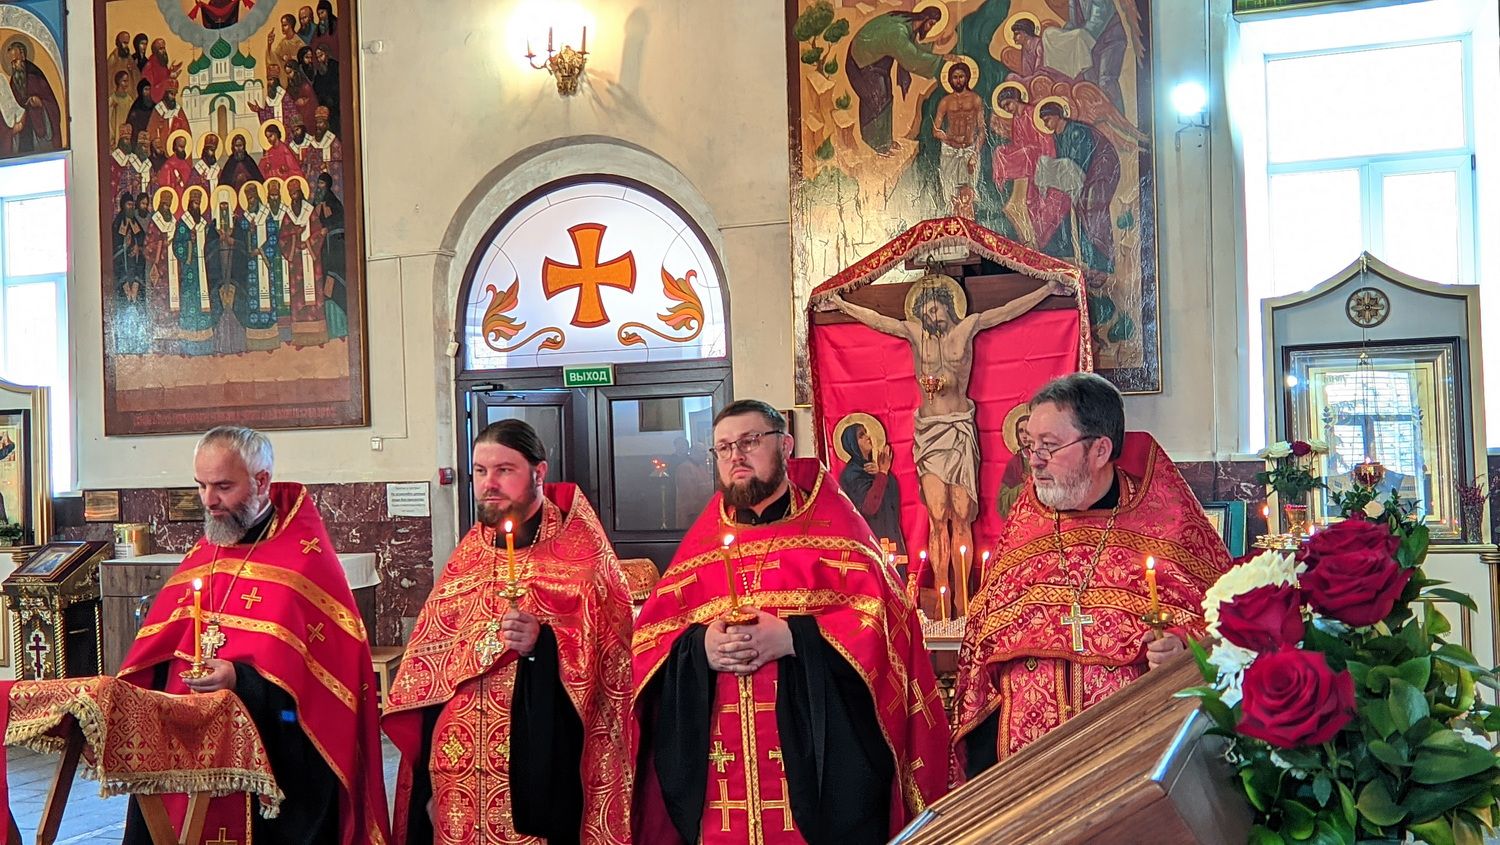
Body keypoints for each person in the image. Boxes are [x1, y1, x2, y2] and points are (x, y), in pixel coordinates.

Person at [632, 400, 948, 845]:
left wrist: (795, 637)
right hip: (721, 782)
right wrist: (699, 648)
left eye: (749, 441)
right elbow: (650, 647)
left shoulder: (839, 532)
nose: (736, 456)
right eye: (723, 447)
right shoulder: (700, 549)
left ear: (785, 445)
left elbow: (887, 635)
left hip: (821, 781)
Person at [119, 426, 390, 844]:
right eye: (201, 485)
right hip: (187, 749)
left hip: (273, 758)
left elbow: (325, 689)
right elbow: (158, 652)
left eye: (223, 486)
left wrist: (240, 680)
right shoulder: (203, 554)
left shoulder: (304, 562)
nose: (209, 500)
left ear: (262, 481)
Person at [952, 373, 1231, 774]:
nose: (1035, 460)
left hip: (1132, 766)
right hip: (1025, 777)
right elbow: (983, 657)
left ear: (1100, 450)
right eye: (1031, 445)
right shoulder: (1024, 527)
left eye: (1049, 446)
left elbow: (1225, 622)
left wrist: (1184, 648)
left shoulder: (1168, 525)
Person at [385, 419, 632, 845]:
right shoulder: (468, 555)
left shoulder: (583, 556)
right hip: (458, 763)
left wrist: (543, 643)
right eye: (480, 471)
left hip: (540, 756)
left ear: (538, 472)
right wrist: (426, 779)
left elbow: (613, 665)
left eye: (504, 470)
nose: (489, 484)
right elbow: (431, 661)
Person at [824, 274, 1069, 618]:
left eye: (935, 310)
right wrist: (841, 305)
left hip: (959, 431)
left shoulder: (966, 328)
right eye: (926, 313)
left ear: (949, 306)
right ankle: (942, 600)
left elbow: (1006, 311)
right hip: (930, 434)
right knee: (938, 517)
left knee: (962, 515)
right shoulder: (915, 334)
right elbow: (879, 321)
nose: (931, 317)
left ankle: (963, 602)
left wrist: (1045, 290)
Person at [845, 8, 945, 155]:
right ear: (924, 19)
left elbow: (911, 46)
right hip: (861, 62)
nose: (930, 28)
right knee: (876, 100)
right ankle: (876, 145)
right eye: (931, 24)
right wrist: (940, 62)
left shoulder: (907, 23)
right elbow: (911, 57)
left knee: (886, 97)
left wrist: (935, 48)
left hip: (876, 60)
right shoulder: (899, 31)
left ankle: (884, 141)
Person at [836, 417, 905, 556]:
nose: (868, 437)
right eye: (861, 435)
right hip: (870, 540)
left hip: (889, 534)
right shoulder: (851, 474)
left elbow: (892, 497)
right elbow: (869, 507)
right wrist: (882, 473)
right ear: (852, 444)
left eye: (866, 432)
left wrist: (883, 474)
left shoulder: (873, 468)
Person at [932, 61, 983, 214]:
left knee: (967, 192)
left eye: (961, 76)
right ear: (950, 80)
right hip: (950, 150)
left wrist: (975, 154)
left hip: (969, 149)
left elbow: (982, 129)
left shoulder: (975, 99)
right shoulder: (945, 102)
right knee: (950, 193)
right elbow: (936, 129)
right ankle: (952, 222)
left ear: (967, 78)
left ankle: (967, 221)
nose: (958, 80)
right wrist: (946, 137)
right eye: (955, 77)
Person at [4, 40, 61, 155]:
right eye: (12, 63)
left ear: (23, 56)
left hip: (38, 129)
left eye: (15, 61)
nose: (14, 66)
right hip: (22, 132)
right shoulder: (14, 82)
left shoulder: (36, 77)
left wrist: (41, 104)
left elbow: (53, 107)